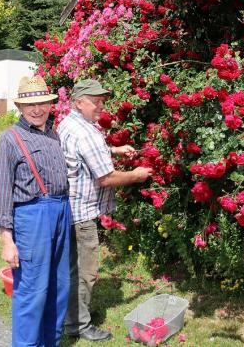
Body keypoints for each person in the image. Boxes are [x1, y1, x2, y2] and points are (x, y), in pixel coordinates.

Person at [58, 78, 153, 342]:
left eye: (102, 101)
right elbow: (106, 178)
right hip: (82, 215)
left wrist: (114, 149)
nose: (101, 107)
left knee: (71, 269)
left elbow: (81, 152)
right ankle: (78, 325)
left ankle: (72, 314)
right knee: (86, 273)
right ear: (78, 102)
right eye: (95, 102)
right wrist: (136, 175)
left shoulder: (68, 124)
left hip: (68, 210)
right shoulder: (86, 132)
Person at [0, 75, 72, 347]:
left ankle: (51, 342)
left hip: (61, 211)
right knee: (31, 291)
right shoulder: (10, 139)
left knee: (59, 286)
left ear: (50, 105)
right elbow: (1, 191)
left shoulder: (53, 133)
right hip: (31, 217)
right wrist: (7, 240)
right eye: (30, 105)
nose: (37, 110)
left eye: (42, 103)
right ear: (20, 108)